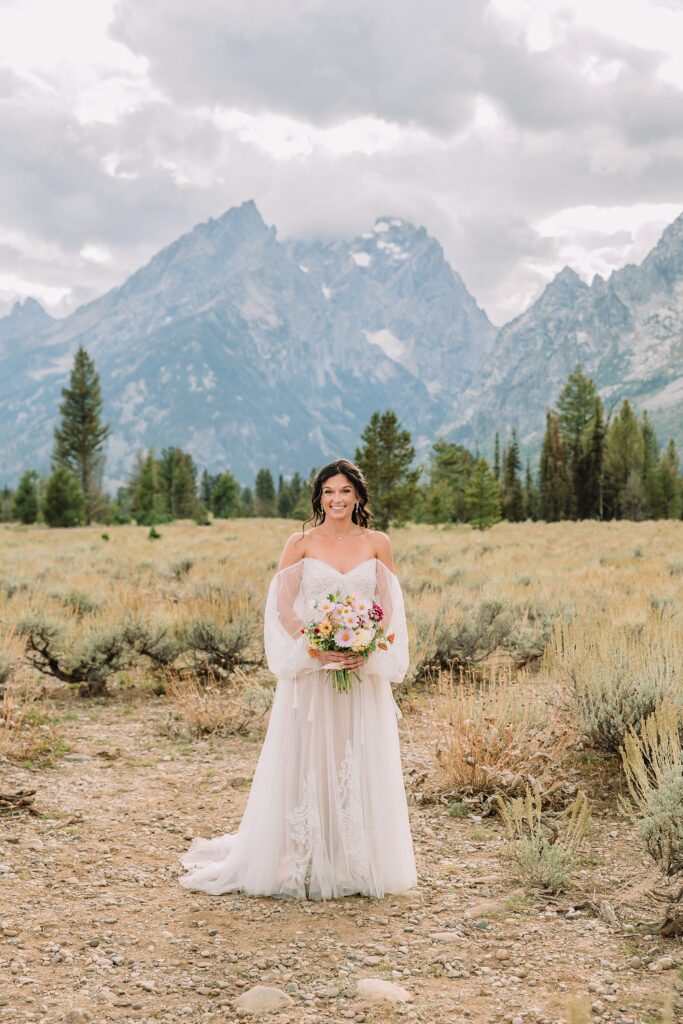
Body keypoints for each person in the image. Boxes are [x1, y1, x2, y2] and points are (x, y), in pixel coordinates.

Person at [178, 457, 417, 900]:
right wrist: (314, 645)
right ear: (319, 497)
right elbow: (283, 606)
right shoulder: (301, 542)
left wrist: (363, 649)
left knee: (355, 755)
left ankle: (353, 860)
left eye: (345, 491)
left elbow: (389, 609)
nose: (337, 499)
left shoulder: (379, 543)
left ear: (358, 496)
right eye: (329, 492)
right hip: (312, 673)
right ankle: (301, 857)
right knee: (306, 756)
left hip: (358, 675)